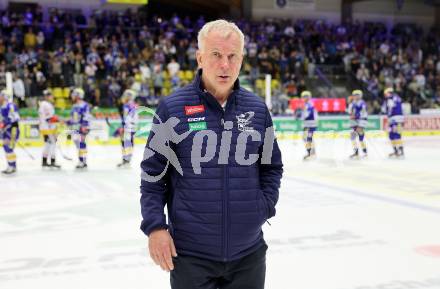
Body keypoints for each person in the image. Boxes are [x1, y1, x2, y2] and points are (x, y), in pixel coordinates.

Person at [140, 20, 283, 289]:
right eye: (216, 55)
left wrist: (262, 207)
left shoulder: (256, 108)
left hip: (248, 256)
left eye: (233, 56)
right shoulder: (172, 108)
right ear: (200, 58)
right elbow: (153, 175)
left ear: (242, 59)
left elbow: (271, 166)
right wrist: (155, 227)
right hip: (191, 258)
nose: (225, 65)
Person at [67, 88, 91, 169]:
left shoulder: (84, 105)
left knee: (81, 144)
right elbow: (73, 118)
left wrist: (84, 126)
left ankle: (82, 161)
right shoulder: (74, 106)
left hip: (81, 128)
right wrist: (68, 122)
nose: (72, 96)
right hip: (75, 128)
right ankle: (82, 160)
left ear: (78, 96)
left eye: (74, 94)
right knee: (78, 144)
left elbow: (86, 116)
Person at [39, 89, 61, 168]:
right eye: (51, 95)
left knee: (48, 144)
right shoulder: (46, 105)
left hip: (45, 128)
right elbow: (49, 118)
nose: (52, 97)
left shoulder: (44, 104)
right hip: (48, 128)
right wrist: (59, 120)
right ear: (47, 96)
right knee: (52, 144)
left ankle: (44, 161)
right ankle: (52, 161)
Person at [0, 89, 20, 174]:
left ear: (4, 97)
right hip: (5, 129)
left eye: (1, 96)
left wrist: (5, 124)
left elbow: (15, 118)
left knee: (9, 148)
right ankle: (11, 165)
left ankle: (12, 166)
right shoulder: (2, 106)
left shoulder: (10, 106)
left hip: (12, 129)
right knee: (6, 147)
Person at [117, 89, 138, 168]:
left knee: (125, 143)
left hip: (127, 127)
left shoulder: (126, 105)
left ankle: (126, 160)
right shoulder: (134, 105)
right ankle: (127, 160)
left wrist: (123, 126)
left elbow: (126, 118)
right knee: (130, 143)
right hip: (132, 127)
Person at [382, 87, 404, 157]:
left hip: (394, 119)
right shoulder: (398, 98)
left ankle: (396, 151)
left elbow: (389, 110)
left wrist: (388, 119)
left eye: (386, 94)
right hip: (400, 119)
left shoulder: (390, 99)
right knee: (398, 134)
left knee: (392, 135)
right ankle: (401, 150)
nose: (385, 95)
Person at [348, 89, 368, 158]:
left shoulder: (362, 103)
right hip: (354, 121)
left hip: (361, 120)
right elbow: (350, 112)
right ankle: (356, 152)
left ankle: (364, 152)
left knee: (359, 134)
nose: (356, 96)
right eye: (354, 95)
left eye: (357, 95)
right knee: (353, 136)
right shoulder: (352, 103)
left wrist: (355, 116)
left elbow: (363, 111)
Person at [300, 90, 318, 160]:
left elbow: (307, 115)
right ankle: (311, 152)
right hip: (308, 124)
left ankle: (311, 153)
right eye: (303, 97)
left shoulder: (309, 105)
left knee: (308, 138)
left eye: (306, 97)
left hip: (310, 124)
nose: (304, 98)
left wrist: (302, 114)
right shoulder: (307, 105)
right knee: (306, 138)